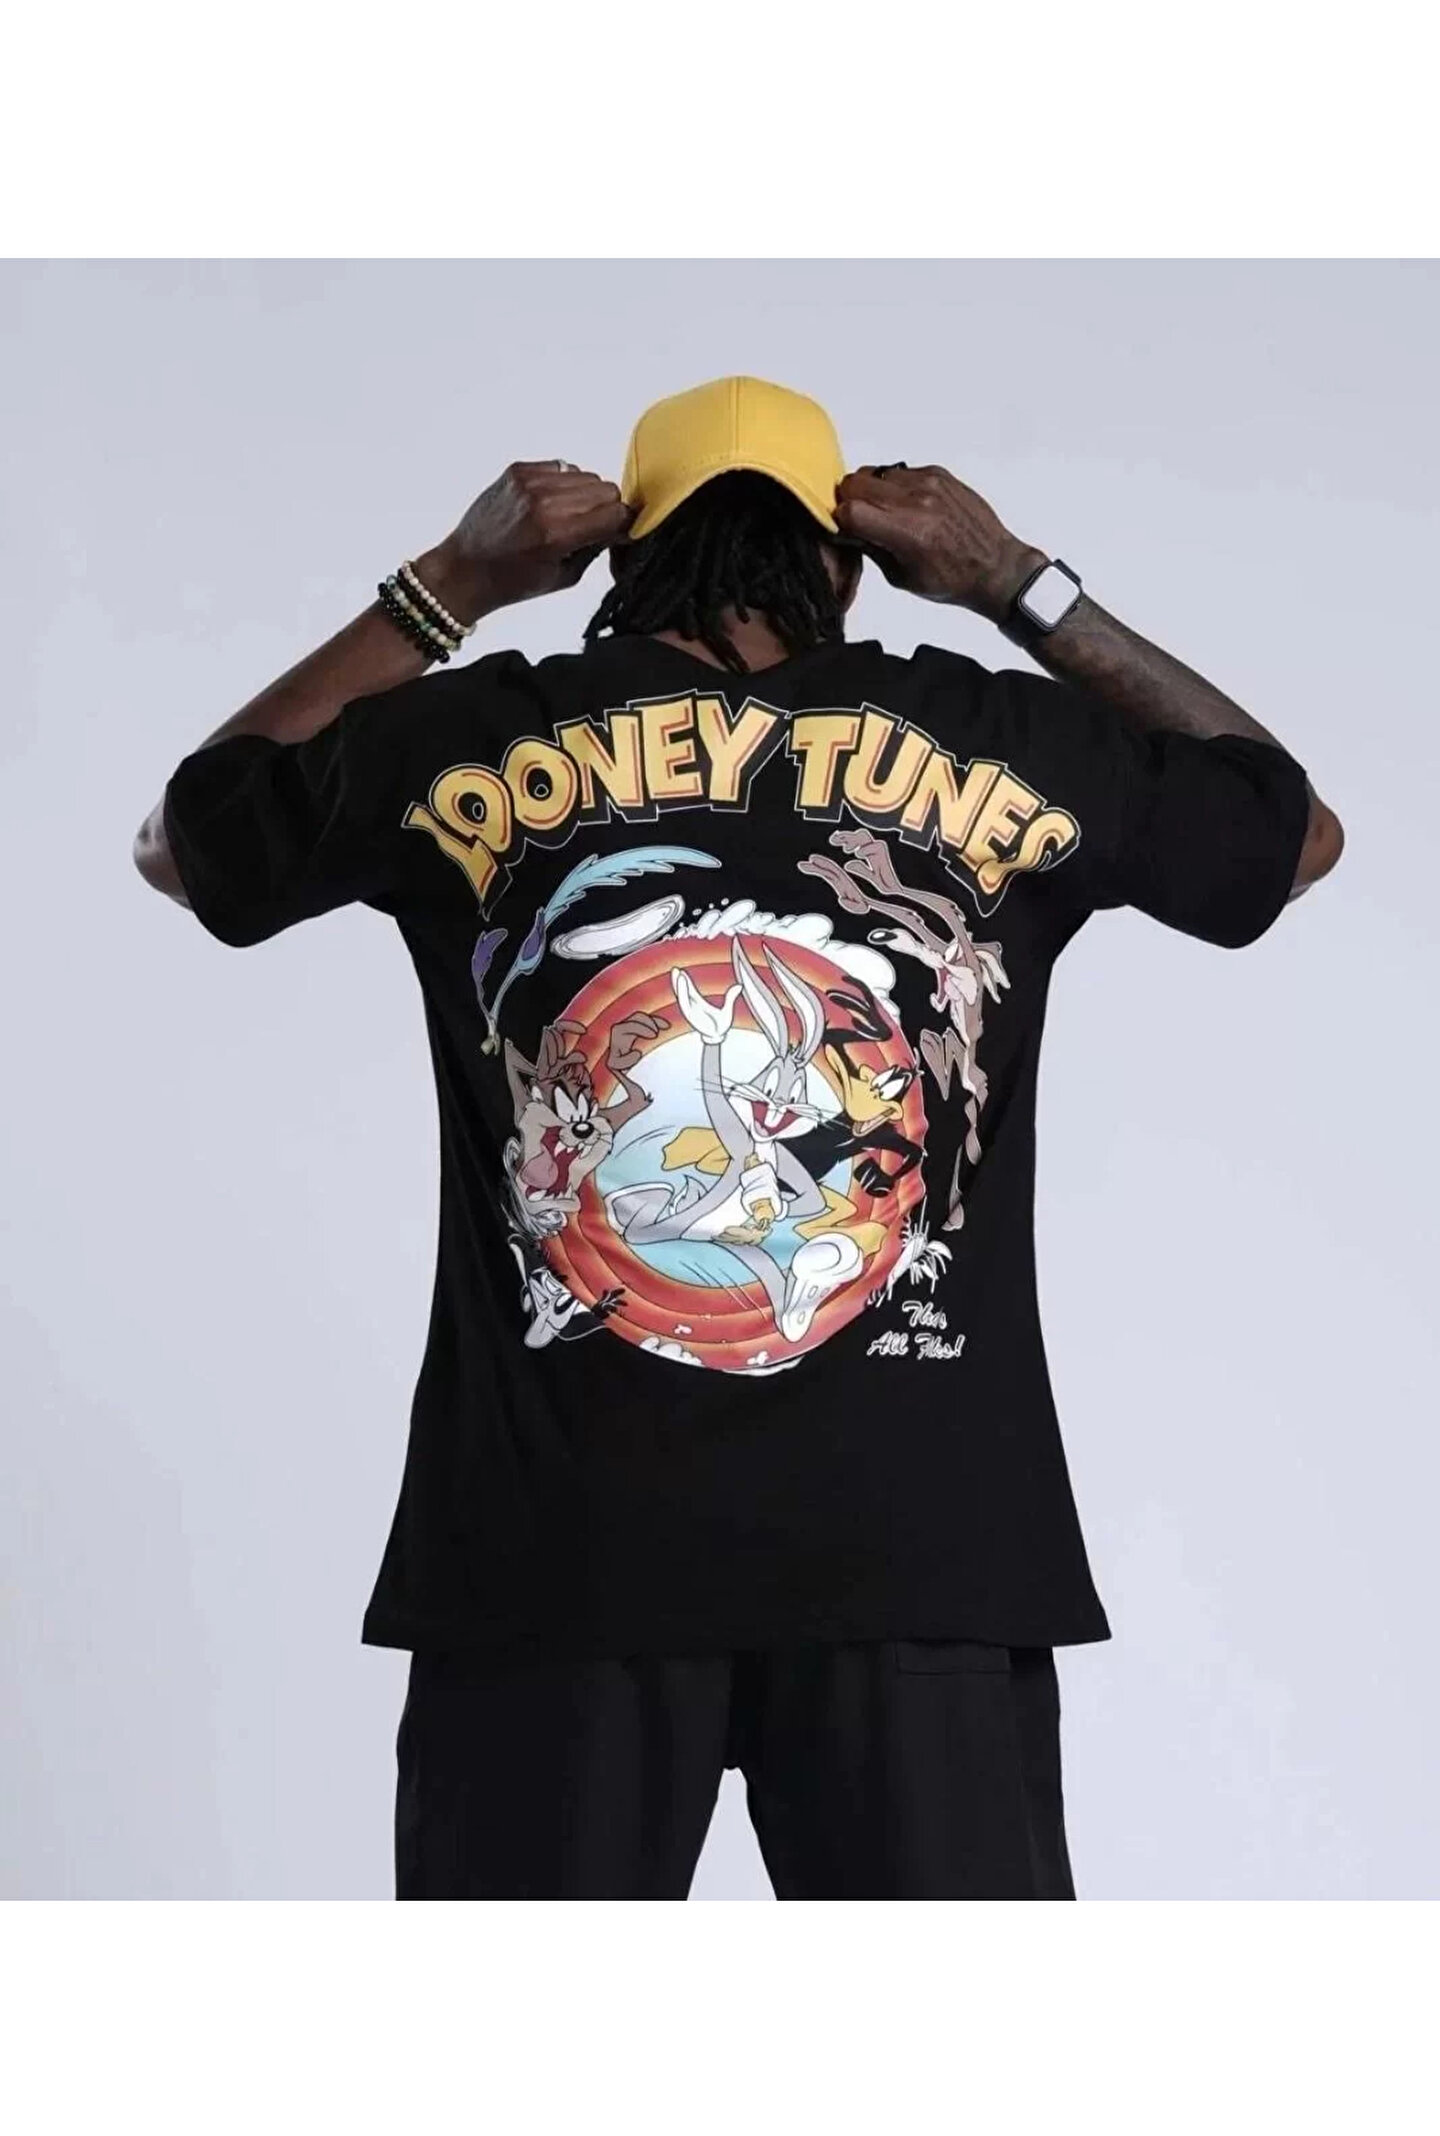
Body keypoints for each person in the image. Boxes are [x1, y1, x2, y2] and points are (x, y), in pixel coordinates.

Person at [134, 375, 1343, 1900]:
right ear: (846, 566)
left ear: (622, 560)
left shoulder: (474, 735)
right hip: (920, 1561)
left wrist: (449, 586)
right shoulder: (995, 737)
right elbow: (1292, 835)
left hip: (555, 1558)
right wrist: (1015, 585)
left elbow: (185, 844)